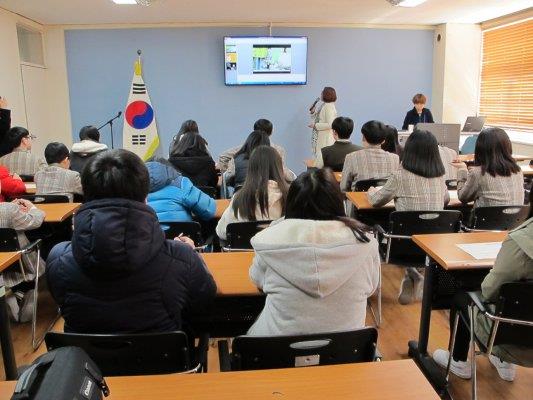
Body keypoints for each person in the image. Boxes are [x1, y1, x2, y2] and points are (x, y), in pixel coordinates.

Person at [46, 149, 217, 333]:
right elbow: (204, 298)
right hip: (161, 360)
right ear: (145, 198)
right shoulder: (182, 258)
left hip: (85, 360)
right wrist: (192, 254)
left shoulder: (58, 260)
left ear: (85, 195)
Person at [247, 168, 380, 336]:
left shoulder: (268, 241)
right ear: (337, 202)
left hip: (278, 353)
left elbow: (257, 280)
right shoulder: (366, 244)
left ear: (291, 203)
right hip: (345, 352)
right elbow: (371, 287)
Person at [433, 190, 533, 381]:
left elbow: (489, 290)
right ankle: (503, 363)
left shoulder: (520, 241)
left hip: (509, 335)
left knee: (464, 295)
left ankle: (459, 360)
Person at [368, 130, 449, 305]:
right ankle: (414, 275)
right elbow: (446, 200)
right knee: (421, 230)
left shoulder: (400, 175)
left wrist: (371, 190)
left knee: (385, 227)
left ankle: (413, 274)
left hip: (403, 245)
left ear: (409, 151)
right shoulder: (440, 176)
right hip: (434, 244)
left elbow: (376, 202)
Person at [216, 145, 287, 241]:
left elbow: (222, 231)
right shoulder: (290, 197)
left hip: (246, 253)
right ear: (279, 167)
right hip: (279, 254)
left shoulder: (239, 198)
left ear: (251, 169)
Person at [0, 198, 45, 322]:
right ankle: (27, 291)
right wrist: (32, 207)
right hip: (23, 263)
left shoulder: (9, 208)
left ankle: (9, 295)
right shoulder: (9, 210)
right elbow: (35, 221)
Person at [454, 128, 523, 207]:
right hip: (515, 219)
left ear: (480, 148)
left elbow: (463, 197)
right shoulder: (518, 171)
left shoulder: (478, 173)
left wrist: (462, 170)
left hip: (486, 219)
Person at [146, 159, 215, 223]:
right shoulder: (180, 183)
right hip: (182, 235)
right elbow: (210, 210)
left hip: (145, 235)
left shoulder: (136, 188)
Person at [340, 120, 400, 191]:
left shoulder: (351, 157)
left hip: (358, 200)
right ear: (383, 140)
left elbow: (343, 187)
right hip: (386, 201)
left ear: (363, 138)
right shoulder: (395, 158)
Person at [218, 118, 287, 172]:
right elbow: (282, 171)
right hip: (271, 187)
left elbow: (223, 157)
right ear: (271, 132)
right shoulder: (279, 150)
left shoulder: (244, 148)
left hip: (244, 186)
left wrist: (229, 175)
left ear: (254, 131)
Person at [168, 123, 218, 188]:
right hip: (204, 196)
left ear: (181, 144)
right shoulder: (209, 162)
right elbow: (214, 183)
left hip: (180, 196)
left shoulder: (171, 162)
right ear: (202, 145)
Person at [309, 87, 338, 161]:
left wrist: (315, 125)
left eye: (322, 93)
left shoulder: (328, 106)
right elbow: (319, 118)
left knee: (322, 160)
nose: (321, 94)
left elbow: (330, 124)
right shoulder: (324, 105)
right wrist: (313, 112)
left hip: (325, 139)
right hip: (321, 136)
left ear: (326, 95)